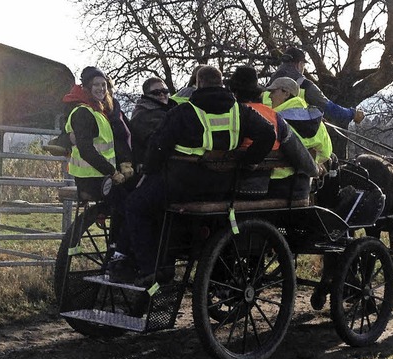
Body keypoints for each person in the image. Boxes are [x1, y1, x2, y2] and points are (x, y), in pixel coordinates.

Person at [112, 65, 276, 287]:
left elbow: (158, 147)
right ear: (221, 84)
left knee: (135, 205)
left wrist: (149, 171)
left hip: (183, 184)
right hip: (224, 185)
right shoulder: (240, 111)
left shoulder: (183, 112)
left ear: (198, 84)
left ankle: (150, 268)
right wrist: (247, 161)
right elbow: (268, 132)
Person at [61, 66, 133, 260]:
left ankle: (116, 245)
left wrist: (125, 164)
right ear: (86, 87)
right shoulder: (84, 112)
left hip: (99, 176)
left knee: (126, 198)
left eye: (104, 85)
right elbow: (86, 150)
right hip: (92, 179)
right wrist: (113, 172)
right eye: (96, 85)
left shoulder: (98, 110)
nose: (101, 89)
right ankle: (119, 251)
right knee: (130, 205)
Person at [227, 65, 318, 200]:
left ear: (234, 93)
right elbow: (300, 156)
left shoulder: (227, 114)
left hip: (225, 188)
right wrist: (314, 170)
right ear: (256, 92)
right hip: (259, 189)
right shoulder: (273, 116)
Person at [265, 46, 365, 126]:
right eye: (304, 65)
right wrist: (352, 114)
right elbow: (331, 110)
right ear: (300, 64)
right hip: (296, 144)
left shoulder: (266, 87)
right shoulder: (305, 86)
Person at [266, 76, 334, 171]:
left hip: (276, 179)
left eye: (273, 92)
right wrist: (311, 162)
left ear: (286, 93)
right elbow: (326, 152)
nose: (269, 96)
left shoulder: (272, 120)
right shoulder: (316, 119)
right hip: (303, 180)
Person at [130, 77, 177, 175]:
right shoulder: (142, 114)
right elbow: (158, 141)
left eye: (165, 91)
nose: (162, 94)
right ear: (147, 95)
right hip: (154, 168)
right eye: (156, 92)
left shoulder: (171, 109)